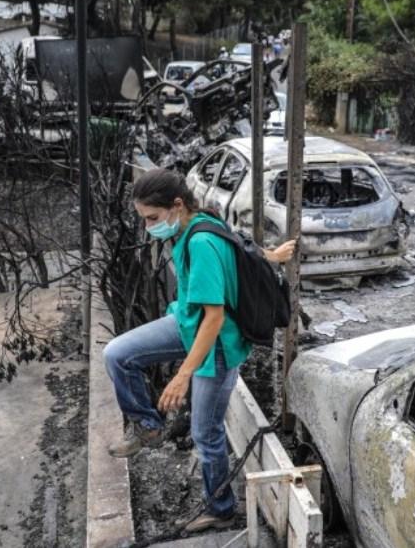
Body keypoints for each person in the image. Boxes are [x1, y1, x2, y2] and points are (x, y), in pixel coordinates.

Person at [103, 169, 296, 533]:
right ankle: (149, 426)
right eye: (143, 219)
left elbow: (214, 318)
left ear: (176, 205)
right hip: (187, 323)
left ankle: (221, 509)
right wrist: (273, 255)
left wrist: (181, 376)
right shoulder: (201, 221)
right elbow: (242, 249)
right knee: (117, 354)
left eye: (152, 219)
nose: (148, 228)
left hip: (215, 345)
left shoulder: (199, 242)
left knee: (206, 434)